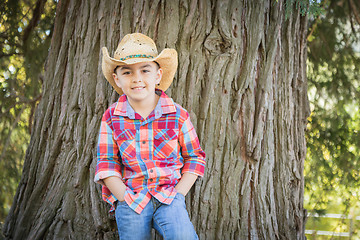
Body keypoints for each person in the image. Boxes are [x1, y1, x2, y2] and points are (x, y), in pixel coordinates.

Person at [94, 33, 206, 240]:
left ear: (158, 75)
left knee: (183, 236)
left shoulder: (177, 114)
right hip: (131, 198)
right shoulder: (112, 117)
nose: (137, 79)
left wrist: (178, 195)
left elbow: (195, 157)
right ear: (117, 79)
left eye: (145, 70)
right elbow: (107, 162)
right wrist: (123, 198)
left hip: (169, 196)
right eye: (127, 72)